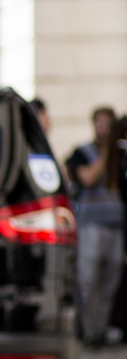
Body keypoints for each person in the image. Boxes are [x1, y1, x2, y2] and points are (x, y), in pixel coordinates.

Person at [67, 107, 123, 346]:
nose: (103, 129)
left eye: (108, 125)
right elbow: (88, 178)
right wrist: (108, 154)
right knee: (88, 281)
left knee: (110, 282)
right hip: (91, 225)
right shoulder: (82, 152)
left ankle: (99, 331)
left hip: (116, 226)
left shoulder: (121, 154)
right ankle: (86, 331)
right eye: (99, 124)